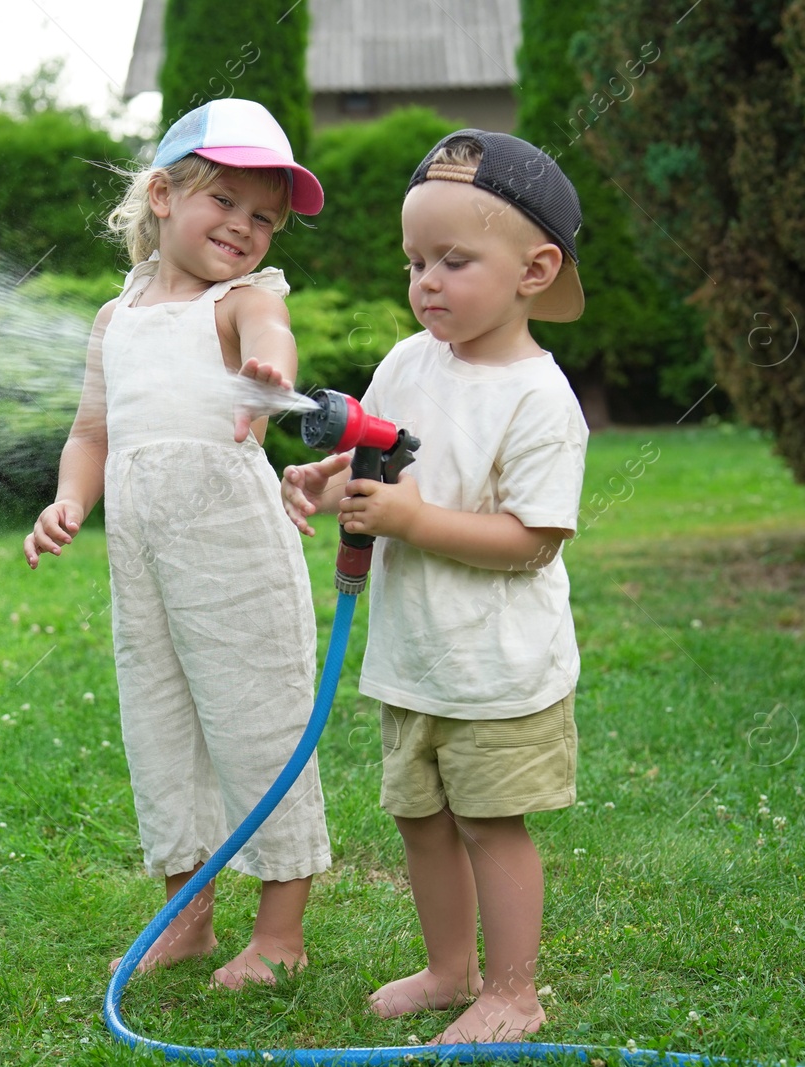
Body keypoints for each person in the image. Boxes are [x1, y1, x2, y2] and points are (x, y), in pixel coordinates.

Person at [281, 130, 589, 1043]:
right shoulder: (409, 361)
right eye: (416, 260)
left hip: (499, 670)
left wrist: (413, 523)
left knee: (492, 825)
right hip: (415, 657)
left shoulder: (540, 399)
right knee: (423, 823)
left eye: (455, 261)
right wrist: (329, 481)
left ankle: (514, 991)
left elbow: (532, 539)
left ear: (535, 269)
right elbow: (385, 460)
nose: (427, 282)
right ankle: (451, 969)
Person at [23, 99, 331, 990]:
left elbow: (270, 333)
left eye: (263, 217)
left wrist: (271, 368)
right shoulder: (114, 319)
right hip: (144, 558)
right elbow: (91, 432)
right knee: (161, 722)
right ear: (161, 195)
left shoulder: (242, 302)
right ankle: (186, 919)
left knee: (258, 717)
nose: (243, 227)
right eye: (223, 202)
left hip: (234, 552)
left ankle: (280, 933)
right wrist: (68, 501)